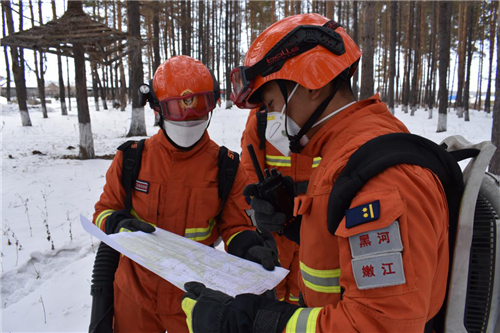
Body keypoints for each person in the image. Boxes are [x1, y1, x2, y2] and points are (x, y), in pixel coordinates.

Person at [182, 14, 449, 332]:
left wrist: (250, 322)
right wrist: (297, 223)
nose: (270, 120)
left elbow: (381, 324)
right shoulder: (344, 154)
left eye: (271, 104)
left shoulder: (381, 179)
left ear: (314, 84)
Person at [92, 55, 279, 333]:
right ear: (156, 107)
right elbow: (103, 212)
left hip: (193, 301)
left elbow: (235, 225)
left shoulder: (226, 166)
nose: (189, 118)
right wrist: (117, 224)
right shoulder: (132, 160)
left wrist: (247, 244)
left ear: (212, 104)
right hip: (134, 296)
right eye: (177, 108)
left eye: (198, 106)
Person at [240, 107, 322, 305]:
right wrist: (260, 204)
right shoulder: (261, 122)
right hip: (275, 225)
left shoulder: (324, 118)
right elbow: (249, 170)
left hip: (314, 223)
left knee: (306, 286)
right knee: (271, 282)